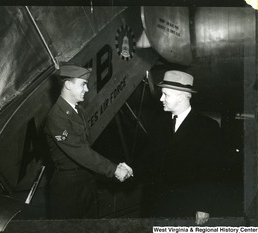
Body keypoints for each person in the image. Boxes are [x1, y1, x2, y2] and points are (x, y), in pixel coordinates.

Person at [43, 64, 133, 219]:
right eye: (83, 84)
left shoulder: (78, 110)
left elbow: (87, 147)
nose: (87, 90)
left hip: (86, 180)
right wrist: (113, 169)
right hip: (68, 187)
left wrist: (116, 164)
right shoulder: (57, 117)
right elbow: (79, 151)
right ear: (68, 85)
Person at [140, 70, 225, 225]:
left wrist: (204, 205)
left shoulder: (207, 127)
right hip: (156, 206)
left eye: (165, 94)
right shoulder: (159, 123)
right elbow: (149, 160)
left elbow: (212, 170)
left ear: (181, 96)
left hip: (186, 207)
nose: (161, 99)